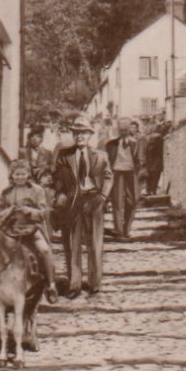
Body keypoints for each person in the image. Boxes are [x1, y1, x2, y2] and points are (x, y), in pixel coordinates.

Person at [52, 113, 112, 298]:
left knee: (94, 243)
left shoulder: (100, 156)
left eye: (84, 133)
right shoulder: (64, 155)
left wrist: (102, 196)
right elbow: (58, 178)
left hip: (94, 201)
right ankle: (74, 284)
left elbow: (109, 176)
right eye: (76, 133)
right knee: (73, 243)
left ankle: (94, 283)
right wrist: (61, 194)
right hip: (73, 203)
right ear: (73, 134)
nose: (80, 136)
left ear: (89, 135)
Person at [0, 159, 58, 303]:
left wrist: (29, 211)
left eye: (23, 174)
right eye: (17, 174)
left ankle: (51, 284)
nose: (20, 177)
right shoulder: (6, 192)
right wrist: (8, 211)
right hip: (11, 230)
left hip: (32, 229)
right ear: (11, 175)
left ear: (28, 174)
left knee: (44, 251)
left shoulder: (37, 190)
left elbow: (43, 213)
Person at [106, 118, 142, 238]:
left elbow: (140, 159)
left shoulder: (135, 143)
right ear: (118, 130)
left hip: (131, 174)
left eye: (125, 129)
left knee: (132, 201)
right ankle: (119, 230)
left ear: (129, 130)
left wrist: (138, 172)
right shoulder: (111, 144)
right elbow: (107, 161)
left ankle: (127, 228)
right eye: (121, 130)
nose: (123, 132)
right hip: (117, 173)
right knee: (117, 201)